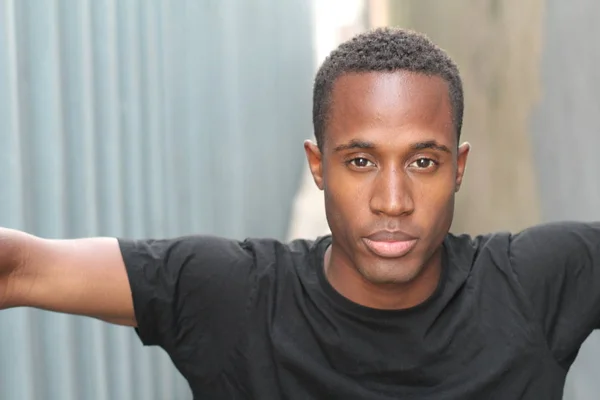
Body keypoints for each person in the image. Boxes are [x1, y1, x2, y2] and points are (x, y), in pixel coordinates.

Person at [0, 27, 597, 400]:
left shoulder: (534, 284)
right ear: (318, 165)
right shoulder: (234, 297)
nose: (393, 201)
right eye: (360, 161)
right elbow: (19, 268)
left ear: (458, 167)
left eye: (423, 162)